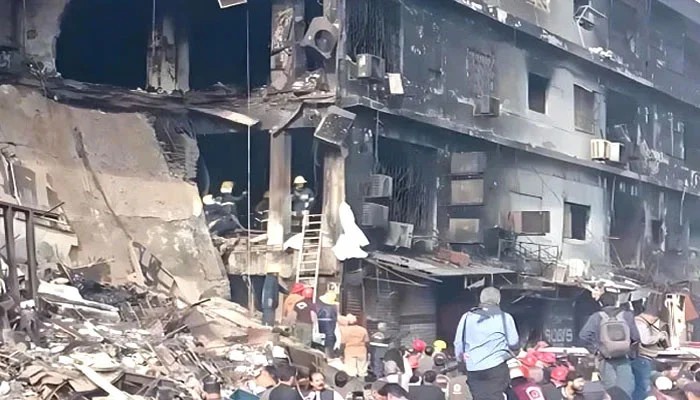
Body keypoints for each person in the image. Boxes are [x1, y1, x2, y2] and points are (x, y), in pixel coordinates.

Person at [453, 287, 520, 400]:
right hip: (496, 366)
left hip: (473, 367)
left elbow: (458, 343)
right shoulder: (505, 318)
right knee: (495, 396)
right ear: (498, 300)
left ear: (481, 299)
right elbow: (513, 343)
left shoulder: (466, 317)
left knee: (478, 397)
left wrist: (461, 361)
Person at [579, 292, 640, 397]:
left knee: (610, 389)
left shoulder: (596, 317)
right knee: (626, 388)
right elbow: (636, 338)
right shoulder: (627, 315)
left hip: (605, 357)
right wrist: (630, 351)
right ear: (616, 302)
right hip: (623, 356)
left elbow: (583, 336)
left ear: (600, 303)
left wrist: (596, 349)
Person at [633, 305, 668, 400]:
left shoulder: (640, 322)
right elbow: (645, 340)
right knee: (644, 381)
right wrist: (659, 336)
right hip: (643, 356)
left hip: (644, 357)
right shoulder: (640, 323)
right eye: (655, 319)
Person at [314, 291, 339, 358]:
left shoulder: (319, 306)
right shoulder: (334, 307)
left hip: (320, 323)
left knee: (322, 339)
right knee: (330, 339)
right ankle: (329, 355)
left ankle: (322, 353)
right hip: (330, 324)